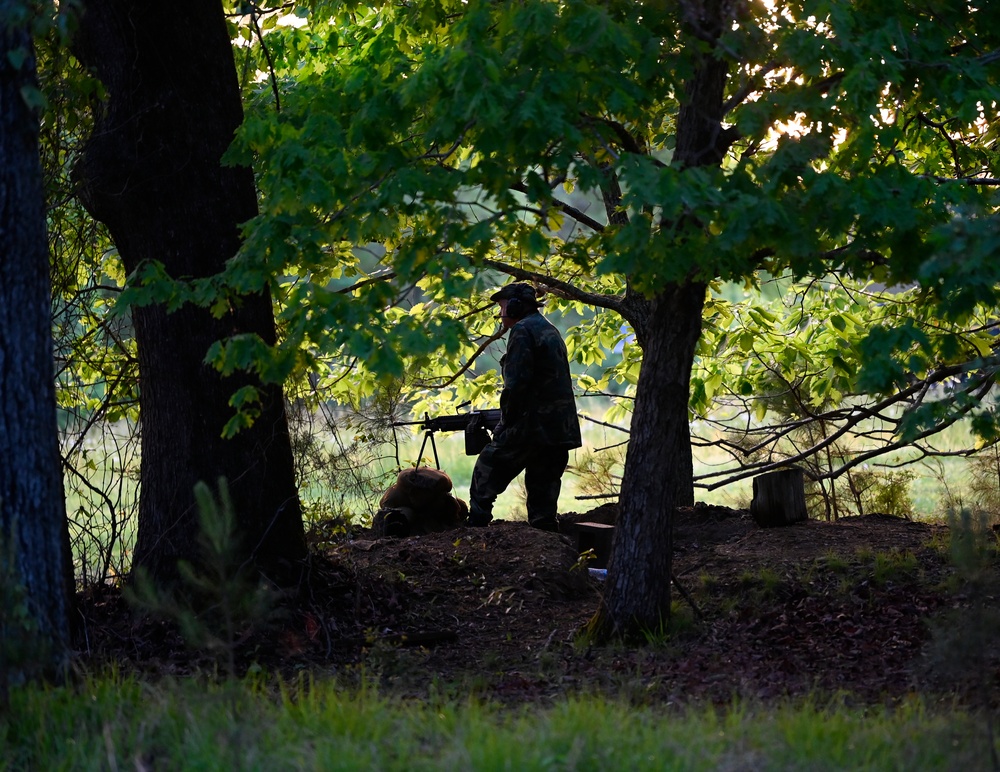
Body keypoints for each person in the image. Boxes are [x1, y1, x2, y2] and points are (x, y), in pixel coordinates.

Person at [468, 283, 581, 531]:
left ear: (517, 306)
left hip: (532, 426)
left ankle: (476, 530)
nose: (500, 313)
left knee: (486, 468)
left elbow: (517, 384)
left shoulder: (522, 330)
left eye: (503, 306)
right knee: (544, 491)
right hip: (558, 430)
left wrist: (505, 424)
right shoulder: (549, 330)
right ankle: (546, 539)